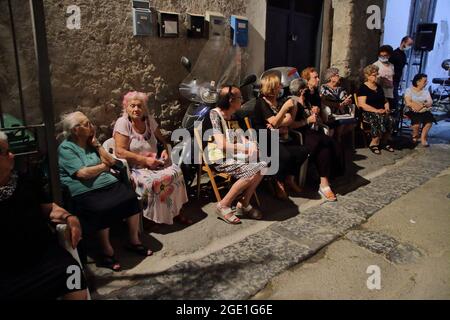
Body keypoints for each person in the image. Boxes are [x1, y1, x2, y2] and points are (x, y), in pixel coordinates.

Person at [58, 112, 152, 272]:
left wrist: (97, 145)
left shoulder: (90, 143)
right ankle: (106, 251)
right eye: (87, 124)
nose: (91, 126)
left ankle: (133, 240)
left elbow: (112, 162)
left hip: (107, 183)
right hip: (84, 190)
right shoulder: (65, 148)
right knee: (102, 208)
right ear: (75, 130)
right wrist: (103, 167)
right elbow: (82, 173)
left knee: (130, 198)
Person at [0, 131, 88, 300]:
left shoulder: (25, 180)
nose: (12, 155)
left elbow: (48, 208)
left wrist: (70, 218)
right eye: (5, 152)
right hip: (7, 268)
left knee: (73, 272)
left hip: (42, 254)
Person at [114, 91, 190, 226]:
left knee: (176, 173)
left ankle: (176, 211)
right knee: (152, 182)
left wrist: (165, 151)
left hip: (155, 162)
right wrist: (144, 160)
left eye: (139, 106)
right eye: (132, 106)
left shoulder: (149, 120)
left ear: (144, 108)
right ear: (126, 107)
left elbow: (163, 141)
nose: (136, 109)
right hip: (136, 167)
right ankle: (151, 216)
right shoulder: (123, 123)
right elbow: (119, 152)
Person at [207, 86, 268, 224]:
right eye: (240, 97)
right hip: (219, 158)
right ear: (230, 100)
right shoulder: (215, 115)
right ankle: (223, 205)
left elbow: (241, 136)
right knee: (251, 171)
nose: (243, 100)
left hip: (235, 155)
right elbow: (221, 145)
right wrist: (244, 148)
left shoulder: (234, 115)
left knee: (263, 165)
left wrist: (251, 145)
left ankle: (243, 203)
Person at [252, 73, 309, 200]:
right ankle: (278, 182)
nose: (282, 87)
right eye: (279, 85)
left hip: (279, 136)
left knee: (303, 150)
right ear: (272, 87)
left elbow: (288, 121)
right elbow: (274, 122)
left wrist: (291, 109)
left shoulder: (278, 101)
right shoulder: (261, 102)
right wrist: (283, 112)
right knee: (285, 156)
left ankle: (289, 178)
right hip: (264, 138)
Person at [289, 77, 342, 202]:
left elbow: (316, 120)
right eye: (306, 89)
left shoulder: (306, 101)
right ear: (302, 90)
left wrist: (315, 113)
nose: (308, 90)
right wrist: (307, 120)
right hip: (300, 134)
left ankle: (325, 179)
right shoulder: (293, 102)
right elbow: (291, 125)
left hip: (311, 132)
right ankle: (324, 184)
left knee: (331, 144)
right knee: (323, 146)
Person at [357, 65, 395, 155]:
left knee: (391, 118)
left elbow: (385, 100)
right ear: (367, 76)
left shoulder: (379, 87)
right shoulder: (363, 88)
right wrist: (376, 110)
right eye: (374, 75)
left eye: (377, 74)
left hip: (381, 111)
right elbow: (362, 104)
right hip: (368, 112)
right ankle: (374, 142)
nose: (377, 76)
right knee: (378, 118)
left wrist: (387, 108)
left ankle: (384, 142)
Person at [320, 67, 357, 143]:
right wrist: (336, 104)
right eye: (336, 75)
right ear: (330, 77)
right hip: (329, 111)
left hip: (341, 110)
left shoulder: (341, 88)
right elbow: (323, 102)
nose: (339, 77)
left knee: (350, 123)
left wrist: (348, 101)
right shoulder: (324, 87)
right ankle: (337, 139)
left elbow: (345, 98)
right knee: (340, 123)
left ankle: (339, 138)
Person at [404, 73, 436, 147]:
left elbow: (430, 102)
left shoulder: (425, 91)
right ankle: (415, 135)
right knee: (416, 125)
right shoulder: (409, 90)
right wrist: (416, 106)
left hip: (423, 110)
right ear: (418, 82)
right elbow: (408, 102)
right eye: (424, 81)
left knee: (429, 122)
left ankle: (423, 138)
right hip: (412, 110)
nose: (426, 83)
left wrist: (421, 105)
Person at [390, 36, 414, 112]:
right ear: (403, 42)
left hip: (397, 81)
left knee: (395, 102)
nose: (409, 46)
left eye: (411, 45)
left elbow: (401, 69)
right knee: (393, 101)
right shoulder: (394, 54)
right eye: (409, 44)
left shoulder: (403, 56)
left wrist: (401, 81)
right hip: (391, 81)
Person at [373, 45, 396, 112]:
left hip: (390, 92)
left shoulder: (391, 65)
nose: (383, 57)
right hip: (380, 92)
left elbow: (392, 77)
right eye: (381, 56)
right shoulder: (375, 65)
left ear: (389, 55)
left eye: (385, 55)